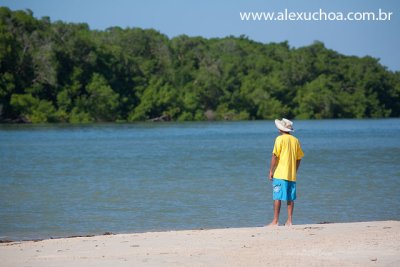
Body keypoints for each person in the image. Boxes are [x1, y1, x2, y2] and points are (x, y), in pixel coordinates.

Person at [268, 118, 304, 226]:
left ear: (280, 129)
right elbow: (299, 158)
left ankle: (275, 221)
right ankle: (290, 220)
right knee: (290, 198)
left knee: (277, 197)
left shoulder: (279, 139)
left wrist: (271, 171)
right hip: (291, 175)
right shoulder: (295, 140)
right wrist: (295, 170)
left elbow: (275, 156)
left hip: (280, 173)